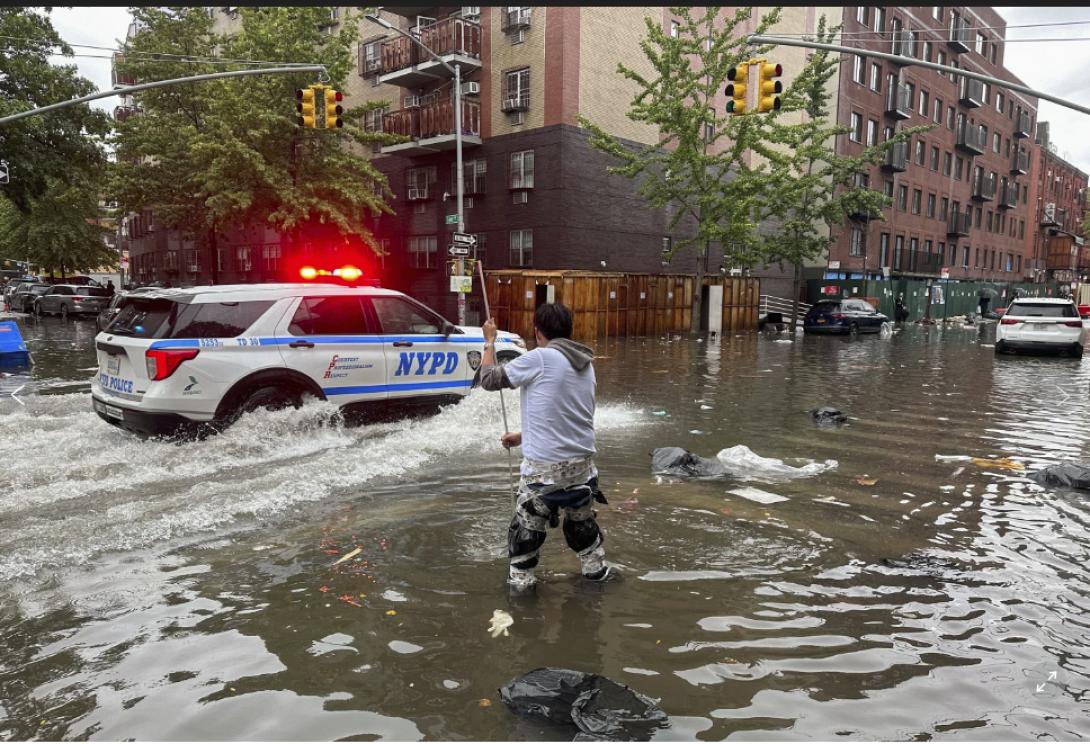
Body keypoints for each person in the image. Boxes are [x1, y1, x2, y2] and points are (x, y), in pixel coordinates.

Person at [480, 304, 611, 589]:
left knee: (525, 534)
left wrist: (489, 341)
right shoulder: (585, 363)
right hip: (584, 472)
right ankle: (596, 576)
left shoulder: (539, 358)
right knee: (583, 531)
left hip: (544, 475)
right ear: (569, 330)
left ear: (537, 332)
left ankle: (523, 596)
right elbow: (567, 415)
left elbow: (488, 380)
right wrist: (523, 435)